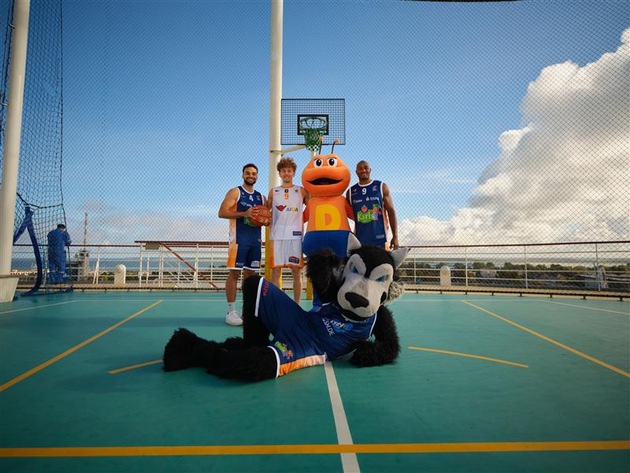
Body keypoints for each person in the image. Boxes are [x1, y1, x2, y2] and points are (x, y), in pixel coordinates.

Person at [218, 163, 267, 326]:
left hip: (255, 241)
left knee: (250, 276)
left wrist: (265, 221)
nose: (251, 176)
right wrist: (244, 213)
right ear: (243, 175)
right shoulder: (235, 192)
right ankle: (231, 311)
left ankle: (247, 310)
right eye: (248, 173)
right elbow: (222, 212)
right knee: (234, 274)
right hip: (239, 240)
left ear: (257, 176)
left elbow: (267, 217)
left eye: (254, 173)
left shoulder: (261, 197)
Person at [267, 157, 308, 303]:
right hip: (277, 236)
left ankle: (297, 304)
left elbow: (311, 208)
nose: (286, 173)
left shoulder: (301, 191)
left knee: (296, 271)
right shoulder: (273, 192)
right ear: (279, 173)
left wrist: (304, 219)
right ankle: (277, 304)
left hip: (295, 236)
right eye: (283, 171)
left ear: (294, 173)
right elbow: (266, 212)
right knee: (276, 271)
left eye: (289, 171)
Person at [346, 160, 399, 249]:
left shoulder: (381, 186)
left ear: (370, 170)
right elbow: (349, 213)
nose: (363, 170)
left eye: (366, 168)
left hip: (380, 239)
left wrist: (395, 236)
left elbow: (391, 211)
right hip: (360, 240)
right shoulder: (351, 192)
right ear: (356, 172)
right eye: (360, 169)